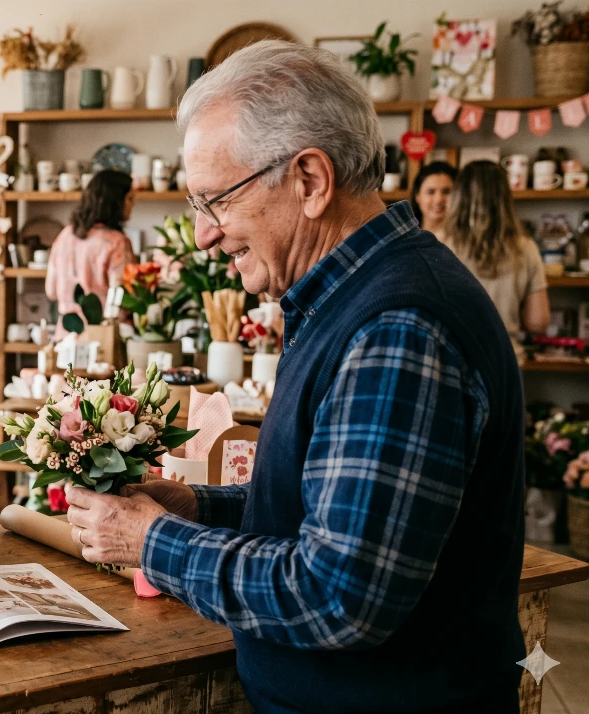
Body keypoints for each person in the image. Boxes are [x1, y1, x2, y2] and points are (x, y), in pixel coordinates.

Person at [64, 41, 526, 713]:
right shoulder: (348, 295)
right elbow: (327, 508)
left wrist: (151, 540)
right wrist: (200, 508)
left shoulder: (398, 328)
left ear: (309, 180)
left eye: (215, 201)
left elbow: (339, 595)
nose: (204, 236)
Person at [442, 160, 550, 360]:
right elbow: (538, 321)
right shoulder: (525, 247)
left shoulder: (438, 244)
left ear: (458, 197)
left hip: (452, 359)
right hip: (505, 359)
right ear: (505, 199)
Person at [46, 170, 135, 336]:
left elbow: (51, 291)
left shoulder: (65, 235)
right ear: (114, 201)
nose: (133, 205)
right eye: (129, 198)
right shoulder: (117, 242)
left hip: (66, 336)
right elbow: (123, 298)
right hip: (103, 336)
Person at [410, 160, 457, 238]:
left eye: (446, 192)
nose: (438, 199)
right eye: (430, 192)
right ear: (417, 196)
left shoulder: (463, 240)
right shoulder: (403, 237)